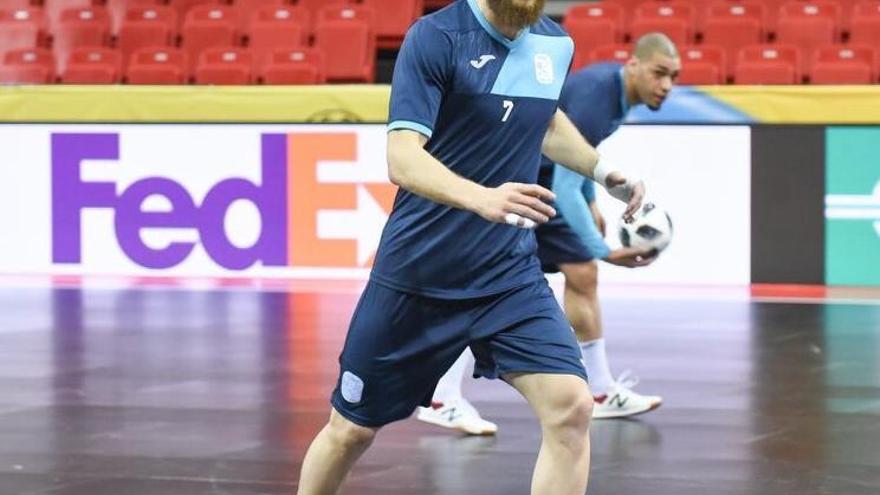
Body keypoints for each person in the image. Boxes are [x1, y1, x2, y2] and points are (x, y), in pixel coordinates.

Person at [295, 0, 645, 493]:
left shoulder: (554, 43)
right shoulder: (435, 38)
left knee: (572, 406)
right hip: (419, 275)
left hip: (508, 275)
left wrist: (603, 171)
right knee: (351, 429)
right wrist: (481, 197)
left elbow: (545, 120)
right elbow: (401, 159)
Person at [417, 33, 681, 433]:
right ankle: (597, 391)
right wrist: (603, 250)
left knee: (511, 282)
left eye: (674, 77)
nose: (666, 85)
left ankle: (445, 396)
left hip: (529, 185)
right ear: (634, 66)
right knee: (579, 271)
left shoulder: (612, 92)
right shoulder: (599, 97)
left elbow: (578, 156)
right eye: (659, 73)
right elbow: (566, 182)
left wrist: (592, 202)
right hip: (521, 186)